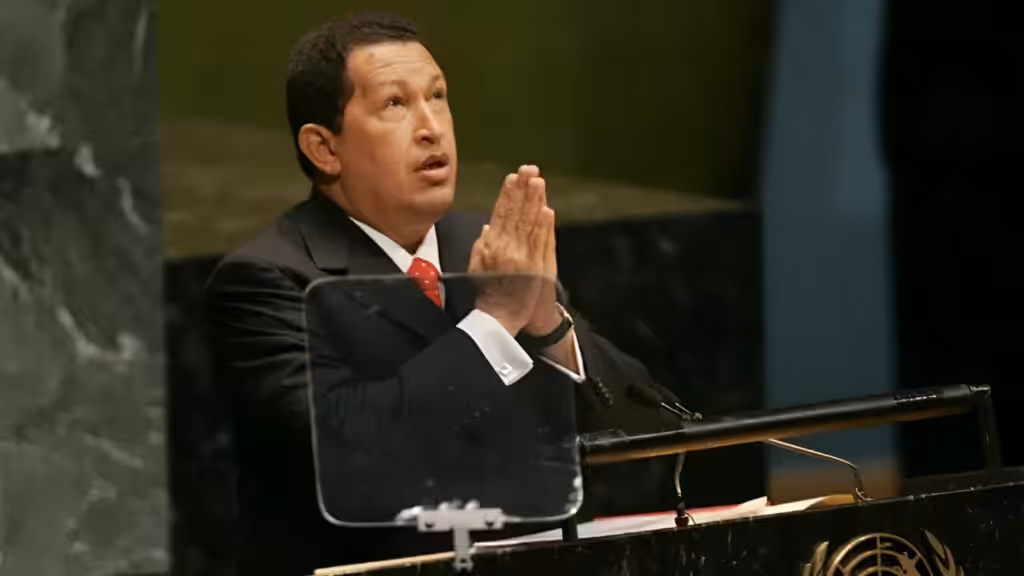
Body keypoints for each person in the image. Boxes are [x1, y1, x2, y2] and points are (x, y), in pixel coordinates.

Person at [205, 12, 677, 575]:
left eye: (438, 96)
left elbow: (652, 433)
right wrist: (496, 318)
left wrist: (546, 321)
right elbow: (350, 451)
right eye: (395, 105)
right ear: (324, 149)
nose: (432, 126)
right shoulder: (268, 279)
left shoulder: (487, 245)